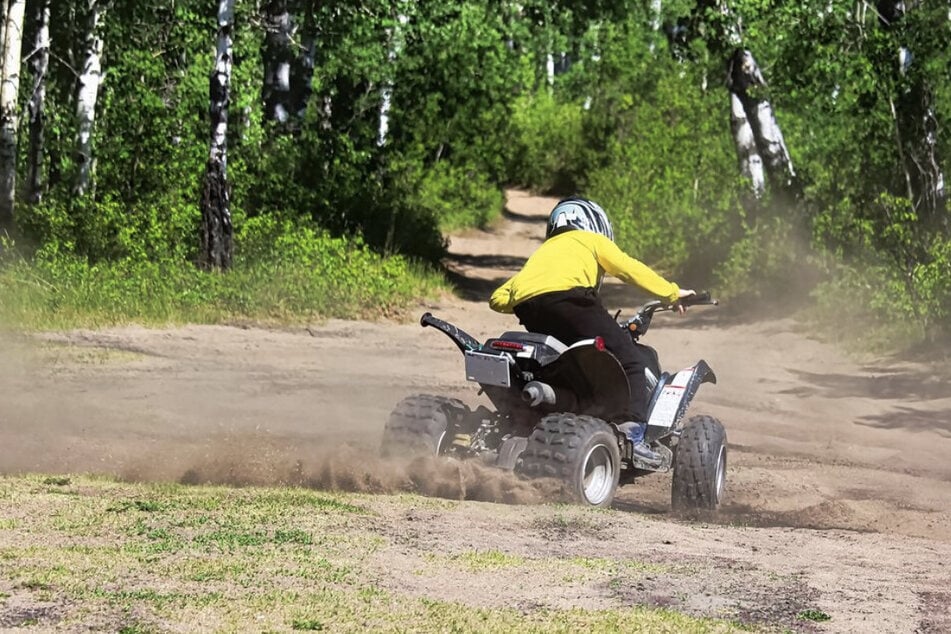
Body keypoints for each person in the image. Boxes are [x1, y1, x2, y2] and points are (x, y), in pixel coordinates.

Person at [489, 197, 695, 464]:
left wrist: (531, 299)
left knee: (562, 361)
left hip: (531, 310)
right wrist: (671, 293)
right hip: (572, 302)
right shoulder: (590, 239)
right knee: (631, 361)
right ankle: (634, 434)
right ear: (592, 222)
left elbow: (497, 298)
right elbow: (628, 268)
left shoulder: (543, 252)